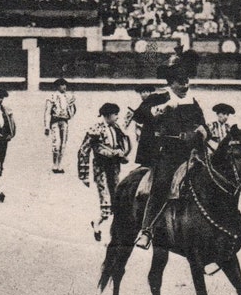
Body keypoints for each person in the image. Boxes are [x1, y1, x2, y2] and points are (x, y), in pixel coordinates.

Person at [134, 57, 208, 250]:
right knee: (162, 183)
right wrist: (161, 109)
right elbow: (140, 115)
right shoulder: (159, 97)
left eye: (186, 81)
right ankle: (146, 230)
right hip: (168, 152)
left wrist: (203, 128)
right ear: (171, 82)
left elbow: (202, 121)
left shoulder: (192, 101)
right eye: (180, 82)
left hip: (192, 152)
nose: (185, 85)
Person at [78, 103, 131, 241]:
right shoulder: (96, 129)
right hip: (101, 167)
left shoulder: (116, 128)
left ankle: (109, 230)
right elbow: (84, 150)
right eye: (115, 114)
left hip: (113, 167)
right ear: (107, 115)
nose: (118, 117)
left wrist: (121, 152)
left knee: (117, 196)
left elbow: (123, 144)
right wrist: (84, 175)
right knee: (106, 197)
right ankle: (97, 223)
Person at [44, 78, 77, 173]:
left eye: (65, 85)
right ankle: (55, 165)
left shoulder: (68, 97)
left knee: (63, 144)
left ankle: (59, 164)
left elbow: (72, 113)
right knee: (56, 143)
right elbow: (47, 112)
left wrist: (71, 106)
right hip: (55, 121)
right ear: (57, 86)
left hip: (64, 121)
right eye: (62, 85)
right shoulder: (52, 97)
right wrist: (46, 126)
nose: (64, 87)